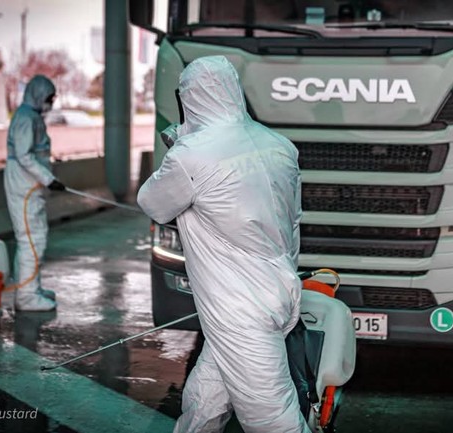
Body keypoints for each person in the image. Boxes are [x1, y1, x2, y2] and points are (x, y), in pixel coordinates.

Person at [136, 56, 308, 433]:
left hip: (239, 311)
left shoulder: (191, 154)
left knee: (275, 423)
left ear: (189, 98)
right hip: (279, 292)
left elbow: (152, 203)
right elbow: (294, 218)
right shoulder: (280, 146)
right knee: (205, 401)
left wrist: (181, 140)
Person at [4, 75, 66, 312]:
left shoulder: (31, 117)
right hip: (24, 187)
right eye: (49, 98)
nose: (50, 103)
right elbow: (24, 156)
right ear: (38, 95)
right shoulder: (25, 119)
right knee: (31, 240)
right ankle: (27, 296)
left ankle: (30, 288)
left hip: (30, 187)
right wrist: (49, 179)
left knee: (33, 238)